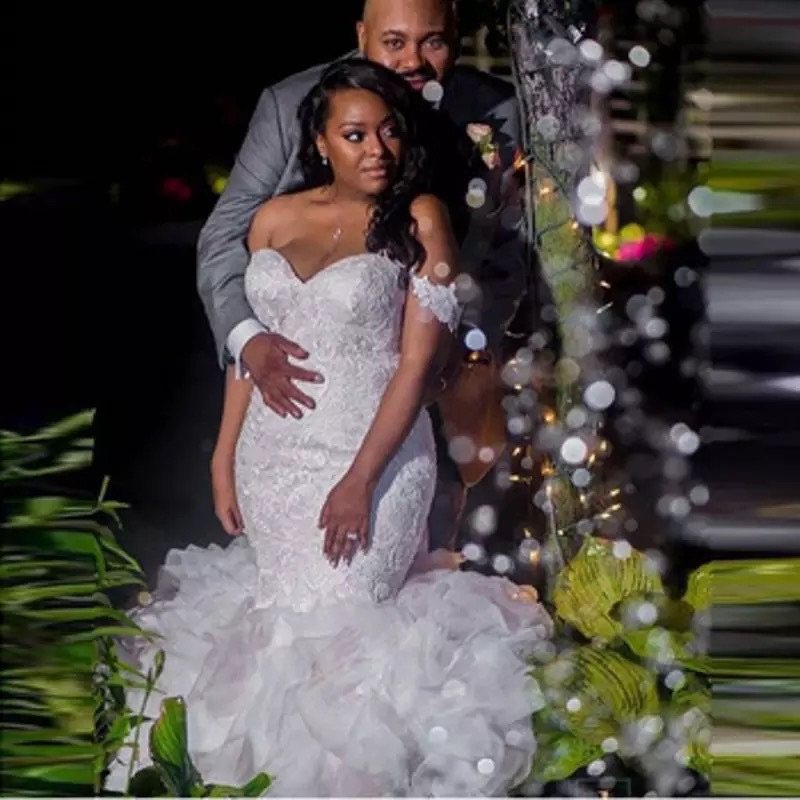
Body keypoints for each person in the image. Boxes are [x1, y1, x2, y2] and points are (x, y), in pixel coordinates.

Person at [106, 60, 551, 797]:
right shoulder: (272, 220)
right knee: (279, 620)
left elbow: (415, 370)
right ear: (319, 142)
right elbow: (254, 355)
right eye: (355, 135)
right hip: (272, 462)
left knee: (349, 632)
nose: (377, 149)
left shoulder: (421, 218)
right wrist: (224, 453)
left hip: (375, 457)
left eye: (389, 133)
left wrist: (359, 480)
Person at [197, 0, 534, 551]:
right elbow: (224, 242)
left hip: (426, 395)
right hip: (289, 414)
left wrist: (459, 350)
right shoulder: (290, 106)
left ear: (456, 37)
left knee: (415, 565)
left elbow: (506, 256)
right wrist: (247, 339)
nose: (414, 61)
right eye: (394, 42)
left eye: (433, 42)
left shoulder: (492, 110)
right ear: (361, 35)